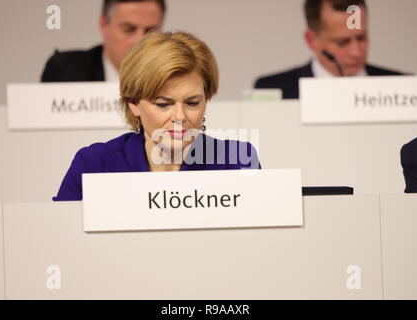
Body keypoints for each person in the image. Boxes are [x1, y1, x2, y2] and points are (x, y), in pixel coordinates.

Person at [53, 31, 261, 201]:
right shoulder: (95, 165)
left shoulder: (236, 160)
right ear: (134, 103)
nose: (179, 116)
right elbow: (62, 240)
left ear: (206, 100)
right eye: (163, 104)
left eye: (192, 103)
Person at [254, 0, 405, 99]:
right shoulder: (275, 89)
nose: (356, 52)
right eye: (342, 42)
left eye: (361, 38)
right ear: (311, 40)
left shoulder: (404, 86)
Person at [41, 0, 165, 82]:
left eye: (150, 31)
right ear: (104, 24)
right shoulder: (66, 71)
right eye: (129, 29)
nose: (140, 41)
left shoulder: (172, 76)